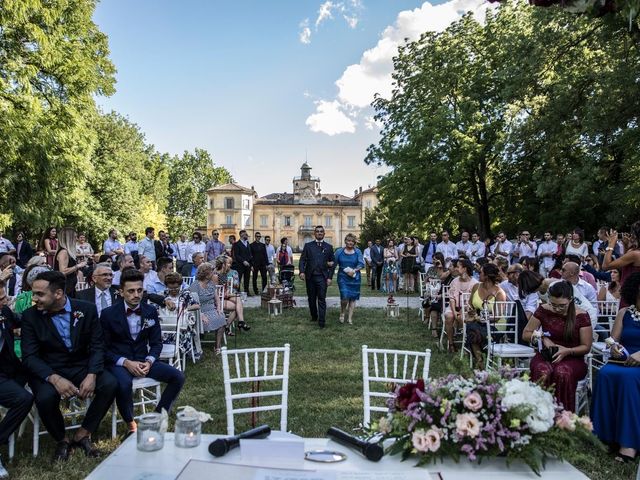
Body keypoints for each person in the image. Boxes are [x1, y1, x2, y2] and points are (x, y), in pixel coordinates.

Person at [21, 271, 118, 461]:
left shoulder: (87, 309)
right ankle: (62, 440)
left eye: (40, 294)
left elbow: (98, 345)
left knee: (110, 384)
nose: (34, 299)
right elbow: (30, 357)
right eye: (34, 293)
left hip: (80, 365)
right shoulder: (30, 317)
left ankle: (83, 433)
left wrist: (92, 374)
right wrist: (54, 379)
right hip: (49, 368)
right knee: (45, 397)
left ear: (58, 294)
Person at [100, 269, 184, 436]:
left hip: (143, 360)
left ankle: (157, 417)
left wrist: (150, 361)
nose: (136, 294)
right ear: (121, 292)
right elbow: (104, 348)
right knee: (123, 384)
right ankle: (132, 425)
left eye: (139, 290)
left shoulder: (150, 311)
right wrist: (125, 362)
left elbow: (156, 343)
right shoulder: (108, 314)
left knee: (178, 377)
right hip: (120, 362)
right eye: (131, 291)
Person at [591, 272, 640, 463]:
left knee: (628, 379)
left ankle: (630, 444)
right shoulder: (624, 313)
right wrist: (615, 348)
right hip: (625, 360)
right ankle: (607, 437)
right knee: (605, 374)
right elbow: (613, 341)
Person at [522, 280, 592, 412]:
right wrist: (542, 338)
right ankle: (537, 413)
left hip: (573, 357)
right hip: (547, 355)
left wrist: (567, 351)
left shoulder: (581, 315)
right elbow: (526, 333)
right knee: (542, 370)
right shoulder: (543, 310)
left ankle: (562, 416)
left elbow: (586, 346)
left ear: (570, 300)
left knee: (562, 372)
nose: (557, 309)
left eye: (562, 306)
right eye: (554, 305)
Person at [0, 281, 33, 476]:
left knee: (41, 375)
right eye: (0, 299)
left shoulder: (4, 312)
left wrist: (41, 309)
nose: (4, 302)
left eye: (4, 297)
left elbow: (19, 318)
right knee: (24, 398)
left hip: (10, 369)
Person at [464, 263, 506, 369]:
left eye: (480, 272)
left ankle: (480, 361)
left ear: (487, 276)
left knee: (473, 330)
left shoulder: (499, 293)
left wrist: (480, 318)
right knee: (471, 327)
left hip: (495, 325)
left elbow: (497, 316)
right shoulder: (476, 287)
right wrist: (470, 309)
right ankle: (481, 361)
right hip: (478, 321)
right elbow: (470, 303)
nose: (478, 275)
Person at [189, 262, 232, 355]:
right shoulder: (195, 285)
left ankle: (217, 346)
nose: (214, 274)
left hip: (212, 309)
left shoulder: (211, 284)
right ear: (206, 274)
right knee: (207, 320)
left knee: (221, 317)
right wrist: (201, 315)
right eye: (212, 272)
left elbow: (217, 299)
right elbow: (192, 302)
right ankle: (197, 343)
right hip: (199, 311)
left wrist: (219, 309)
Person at [299, 226, 335, 329]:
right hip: (310, 277)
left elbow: (332, 263)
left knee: (322, 298)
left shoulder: (328, 247)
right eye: (317, 231)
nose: (319, 233)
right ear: (315, 233)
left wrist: (329, 277)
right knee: (311, 299)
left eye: (321, 232)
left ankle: (322, 321)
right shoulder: (308, 246)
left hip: (322, 277)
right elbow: (302, 260)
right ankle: (314, 316)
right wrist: (302, 271)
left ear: (324, 234)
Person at [602, 223, 640, 307]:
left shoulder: (635, 254)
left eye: (632, 234)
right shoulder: (634, 253)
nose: (631, 236)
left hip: (631, 296)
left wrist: (611, 244)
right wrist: (626, 245)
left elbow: (605, 266)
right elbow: (627, 265)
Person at [444, 259, 478, 352]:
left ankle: (467, 343)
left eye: (458, 267)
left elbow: (472, 302)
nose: (455, 269)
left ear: (465, 269)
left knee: (462, 318)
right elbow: (451, 298)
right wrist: (454, 311)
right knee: (449, 316)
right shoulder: (454, 281)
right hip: (454, 307)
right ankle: (451, 343)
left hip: (467, 309)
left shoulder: (475, 283)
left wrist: (460, 311)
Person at [214, 255, 248, 335]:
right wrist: (230, 294)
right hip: (217, 301)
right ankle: (236, 323)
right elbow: (217, 293)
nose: (229, 265)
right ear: (223, 265)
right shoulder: (215, 275)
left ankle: (230, 325)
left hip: (223, 297)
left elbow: (225, 290)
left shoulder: (223, 275)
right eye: (227, 263)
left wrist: (228, 293)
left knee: (238, 304)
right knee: (238, 305)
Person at [334, 234, 365, 325]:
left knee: (353, 298)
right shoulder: (339, 251)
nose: (350, 242)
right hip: (342, 277)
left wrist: (354, 270)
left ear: (354, 242)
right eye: (348, 240)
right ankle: (342, 312)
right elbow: (334, 263)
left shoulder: (358, 251)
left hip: (355, 277)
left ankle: (350, 318)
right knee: (344, 297)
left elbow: (361, 264)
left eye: (352, 241)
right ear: (345, 241)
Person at [54, 227, 87, 297]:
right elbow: (63, 271)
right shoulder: (64, 252)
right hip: (66, 288)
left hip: (70, 287)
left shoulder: (66, 252)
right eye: (75, 237)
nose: (77, 239)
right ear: (69, 238)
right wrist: (78, 266)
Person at [232, 230, 253, 295]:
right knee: (239, 279)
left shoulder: (248, 243)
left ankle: (246, 291)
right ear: (241, 235)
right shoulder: (236, 244)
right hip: (240, 265)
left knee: (247, 279)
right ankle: (237, 292)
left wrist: (251, 264)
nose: (246, 235)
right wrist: (243, 261)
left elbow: (250, 254)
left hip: (248, 265)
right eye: (245, 234)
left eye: (246, 234)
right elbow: (237, 255)